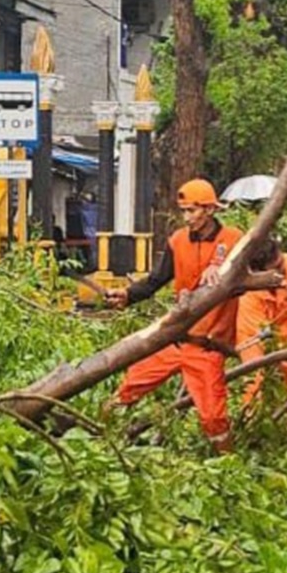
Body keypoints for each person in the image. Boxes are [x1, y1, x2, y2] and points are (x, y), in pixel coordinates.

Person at [105, 179, 242, 453]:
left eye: (192, 211)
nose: (187, 217)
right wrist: (128, 295)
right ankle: (97, 440)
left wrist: (224, 270)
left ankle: (229, 467)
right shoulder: (177, 241)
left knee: (214, 417)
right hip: (175, 338)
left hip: (208, 345)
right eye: (184, 211)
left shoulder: (234, 240)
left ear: (210, 210)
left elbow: (259, 266)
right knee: (128, 388)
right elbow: (156, 280)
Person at [236, 239, 287, 427]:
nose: (282, 271)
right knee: (255, 382)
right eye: (276, 269)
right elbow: (257, 344)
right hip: (257, 336)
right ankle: (251, 427)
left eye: (281, 264)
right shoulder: (249, 299)